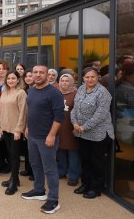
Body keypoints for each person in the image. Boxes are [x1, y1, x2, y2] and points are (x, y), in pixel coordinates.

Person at [22, 64, 64, 214]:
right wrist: (27, 127)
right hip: (32, 135)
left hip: (47, 138)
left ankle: (53, 200)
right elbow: (30, 111)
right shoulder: (32, 90)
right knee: (35, 164)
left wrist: (52, 135)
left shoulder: (54, 93)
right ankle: (39, 190)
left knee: (50, 169)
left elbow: (59, 117)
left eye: (41, 72)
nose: (38, 75)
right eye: (35, 72)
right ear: (31, 74)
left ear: (47, 75)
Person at [71, 67, 114, 199]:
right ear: (83, 78)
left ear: (98, 77)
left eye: (92, 77)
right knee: (85, 160)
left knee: (97, 161)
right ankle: (85, 184)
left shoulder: (103, 93)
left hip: (98, 134)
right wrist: (75, 123)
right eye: (87, 77)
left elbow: (100, 115)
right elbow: (74, 109)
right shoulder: (81, 89)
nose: (90, 79)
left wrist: (84, 127)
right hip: (82, 132)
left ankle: (96, 188)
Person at [0, 71, 27, 195]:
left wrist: (19, 129)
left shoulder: (21, 93)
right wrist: (0, 127)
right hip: (5, 127)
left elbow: (23, 112)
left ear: (18, 80)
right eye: (8, 78)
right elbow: (1, 110)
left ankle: (14, 183)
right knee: (10, 154)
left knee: (15, 155)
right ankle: (14, 177)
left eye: (13, 78)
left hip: (15, 129)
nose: (10, 80)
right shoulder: (4, 92)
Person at [57, 73, 80, 186]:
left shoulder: (76, 94)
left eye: (67, 81)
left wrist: (76, 126)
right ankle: (61, 171)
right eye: (62, 81)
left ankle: (73, 176)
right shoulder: (57, 93)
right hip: (59, 128)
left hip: (71, 127)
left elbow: (79, 111)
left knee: (73, 153)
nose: (64, 83)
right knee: (61, 150)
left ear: (71, 82)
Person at [20, 69, 34, 180]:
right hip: (24, 120)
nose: (28, 78)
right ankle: (28, 169)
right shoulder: (24, 89)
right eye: (26, 76)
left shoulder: (35, 90)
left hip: (32, 122)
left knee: (33, 149)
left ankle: (34, 172)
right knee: (26, 148)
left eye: (30, 76)